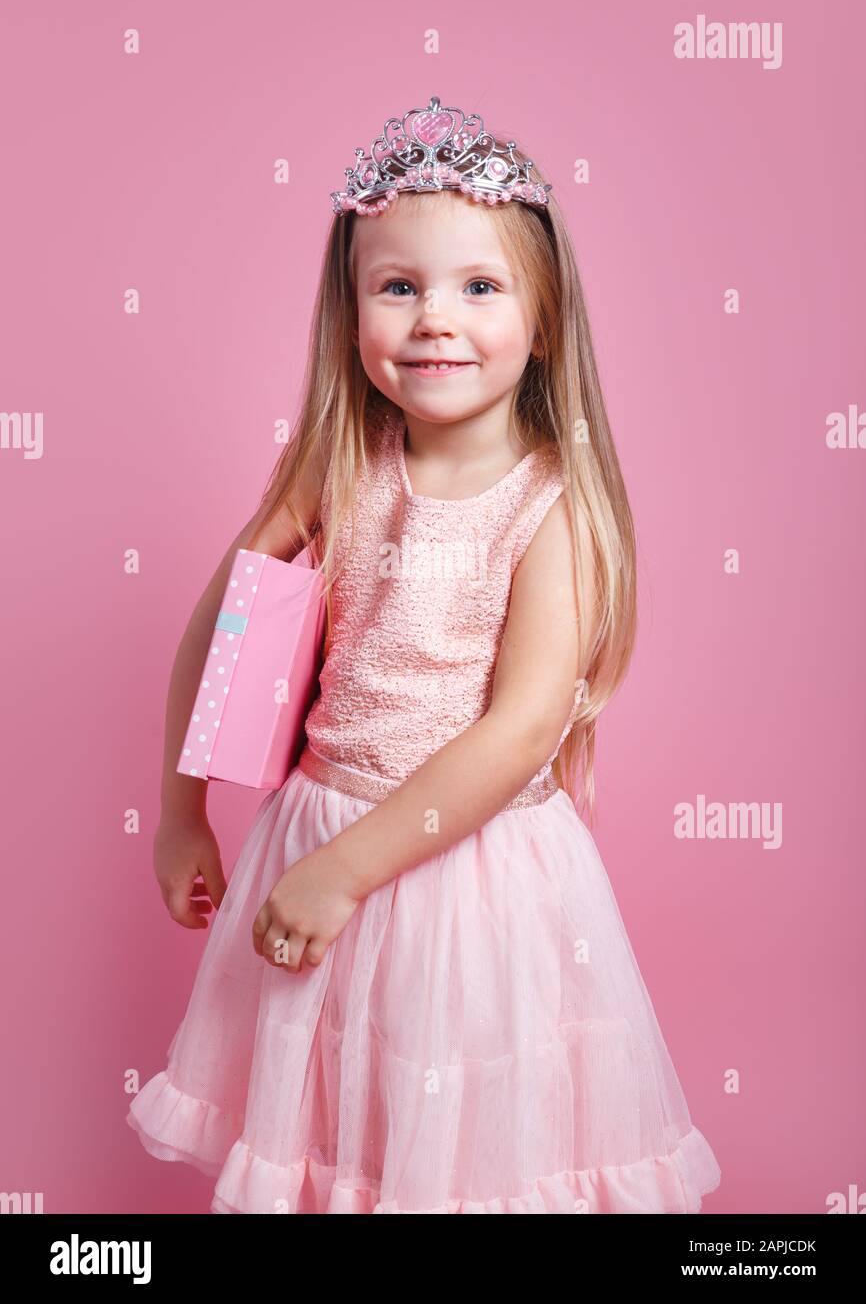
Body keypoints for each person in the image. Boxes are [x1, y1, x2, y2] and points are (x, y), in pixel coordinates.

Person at [126, 95, 722, 1214]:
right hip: (320, 828)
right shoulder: (341, 463)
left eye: (477, 287)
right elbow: (230, 625)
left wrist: (344, 873)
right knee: (335, 1134)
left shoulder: (549, 502)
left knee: (459, 1147)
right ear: (349, 311)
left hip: (469, 877)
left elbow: (520, 728)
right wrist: (179, 806)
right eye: (397, 287)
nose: (433, 320)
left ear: (543, 320)